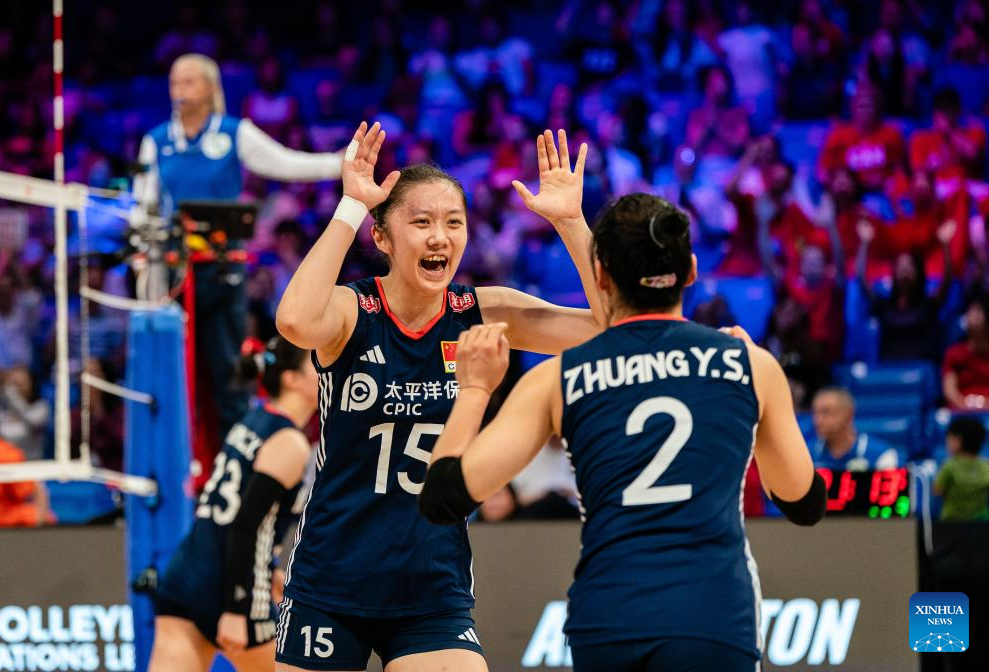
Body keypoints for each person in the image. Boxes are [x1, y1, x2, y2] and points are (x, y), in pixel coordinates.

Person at [418, 193, 825, 672]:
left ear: (601, 278)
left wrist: (474, 389)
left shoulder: (558, 378)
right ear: (691, 271)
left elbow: (442, 498)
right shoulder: (747, 364)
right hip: (713, 615)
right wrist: (755, 399)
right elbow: (802, 502)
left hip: (608, 618)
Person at [274, 123, 601, 672]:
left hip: (431, 585)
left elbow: (609, 325)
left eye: (453, 222)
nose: (439, 237)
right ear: (383, 238)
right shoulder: (354, 310)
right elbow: (294, 321)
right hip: (331, 579)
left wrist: (571, 222)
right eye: (421, 222)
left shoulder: (483, 311)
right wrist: (352, 206)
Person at [136, 53, 342, 478]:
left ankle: (234, 471)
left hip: (223, 271)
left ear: (210, 88)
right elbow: (144, 207)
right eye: (174, 82)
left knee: (228, 371)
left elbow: (285, 163)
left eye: (189, 82)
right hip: (174, 274)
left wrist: (339, 163)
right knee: (175, 375)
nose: (179, 90)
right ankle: (173, 471)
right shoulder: (156, 141)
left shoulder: (233, 133)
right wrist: (144, 262)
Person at [150, 336, 316, 672]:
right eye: (317, 363)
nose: (328, 369)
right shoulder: (289, 441)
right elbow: (245, 525)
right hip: (230, 589)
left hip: (188, 573)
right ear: (292, 379)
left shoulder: (253, 419)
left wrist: (267, 569)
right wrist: (237, 608)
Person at [856, 219, 955, 361]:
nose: (905, 270)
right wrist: (864, 243)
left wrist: (945, 244)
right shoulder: (884, 306)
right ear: (894, 273)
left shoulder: (928, 305)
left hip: (922, 368)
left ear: (918, 273)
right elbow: (861, 279)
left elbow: (947, 280)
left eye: (909, 266)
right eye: (901, 266)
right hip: (891, 368)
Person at [0, 399, 49, 527]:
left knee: (31, 515)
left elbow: (37, 489)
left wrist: (39, 527)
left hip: (2, 522)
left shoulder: (3, 453)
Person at [811, 387, 899, 471]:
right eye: (815, 413)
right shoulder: (807, 455)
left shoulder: (881, 455)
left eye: (826, 412)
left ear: (849, 415)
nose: (818, 421)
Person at [934, 417, 989, 521]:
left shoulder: (949, 466)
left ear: (958, 441)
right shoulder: (986, 466)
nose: (947, 443)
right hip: (982, 524)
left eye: (949, 439)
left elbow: (937, 491)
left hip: (951, 523)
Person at [942, 296, 989, 411]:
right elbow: (949, 391)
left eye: (978, 311)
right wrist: (967, 408)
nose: (971, 315)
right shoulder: (954, 353)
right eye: (969, 311)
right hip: (961, 412)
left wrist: (984, 405)